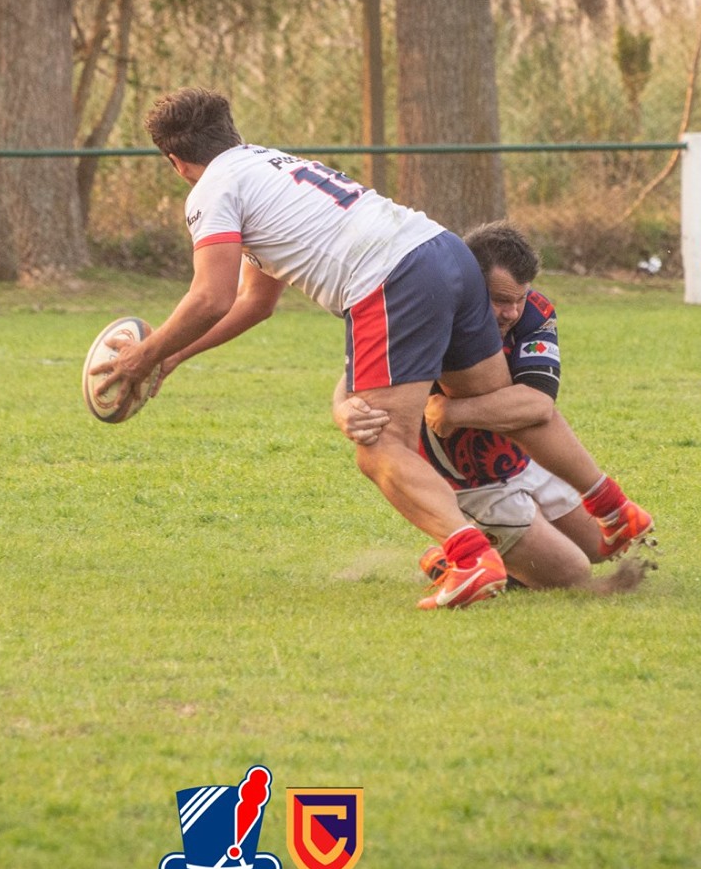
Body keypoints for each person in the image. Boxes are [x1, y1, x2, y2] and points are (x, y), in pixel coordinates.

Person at [96, 91, 635, 611]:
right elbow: (253, 303)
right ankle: (613, 507)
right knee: (501, 406)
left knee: (378, 443)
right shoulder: (269, 168)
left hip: (390, 280)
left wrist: (139, 358)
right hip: (443, 250)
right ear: (232, 133)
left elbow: (209, 297)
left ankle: (470, 559)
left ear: (175, 160)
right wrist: (169, 358)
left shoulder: (211, 188)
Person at [334, 221, 651, 595]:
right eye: (500, 300)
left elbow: (536, 404)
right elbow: (351, 379)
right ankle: (460, 552)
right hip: (470, 484)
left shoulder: (535, 312)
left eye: (519, 298)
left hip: (526, 460)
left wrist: (453, 412)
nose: (511, 312)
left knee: (598, 547)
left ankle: (474, 553)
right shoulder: (426, 311)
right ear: (468, 287)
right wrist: (342, 410)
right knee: (572, 575)